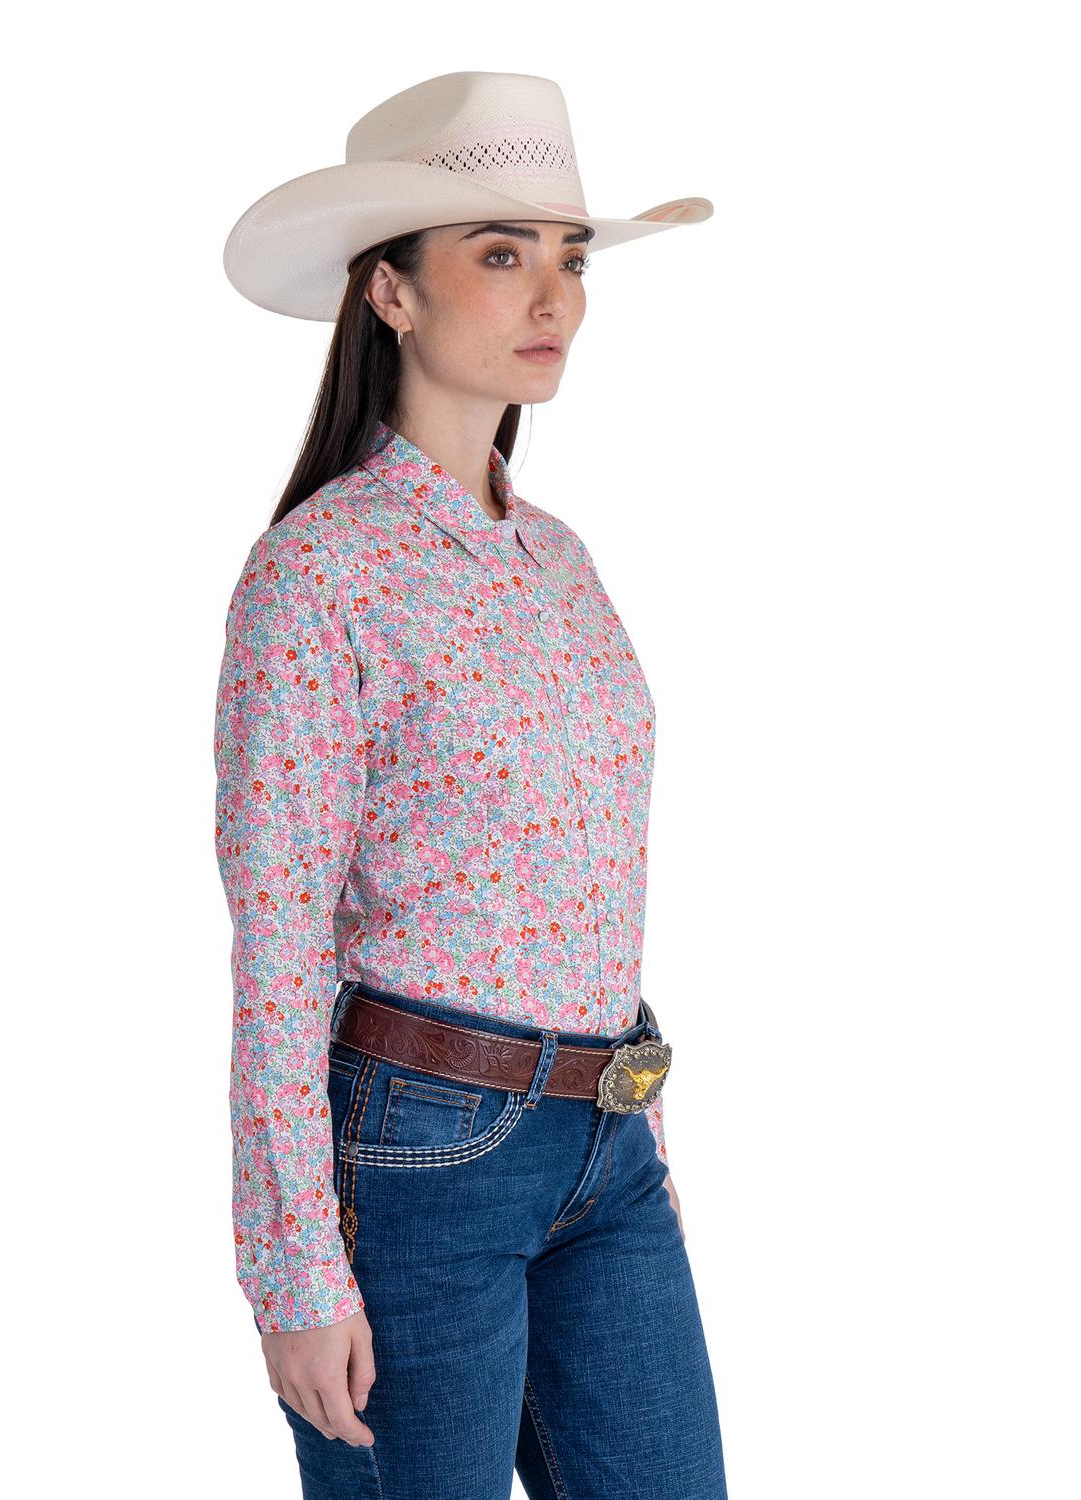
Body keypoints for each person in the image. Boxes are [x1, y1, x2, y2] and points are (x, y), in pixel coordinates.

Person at [214, 71, 727, 1499]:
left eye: (572, 258)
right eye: (502, 254)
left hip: (606, 1148)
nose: (554, 297)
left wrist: (640, 1133)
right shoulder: (317, 574)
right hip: (422, 1154)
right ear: (389, 292)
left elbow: (595, 874)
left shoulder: (557, 560)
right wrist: (293, 1268)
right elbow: (279, 935)